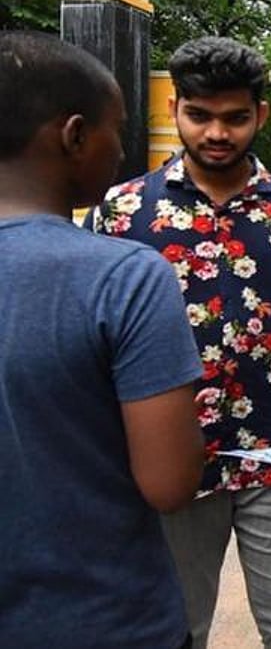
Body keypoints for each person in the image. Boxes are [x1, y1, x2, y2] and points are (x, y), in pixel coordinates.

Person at [86, 37, 271, 648]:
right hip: (166, 458)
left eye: (235, 117)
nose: (217, 133)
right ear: (174, 109)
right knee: (177, 626)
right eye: (199, 115)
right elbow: (95, 340)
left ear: (260, 115)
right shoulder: (123, 212)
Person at [0, 31, 204, 648]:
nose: (121, 148)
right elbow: (170, 484)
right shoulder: (125, 278)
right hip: (105, 617)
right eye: (117, 128)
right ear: (74, 135)